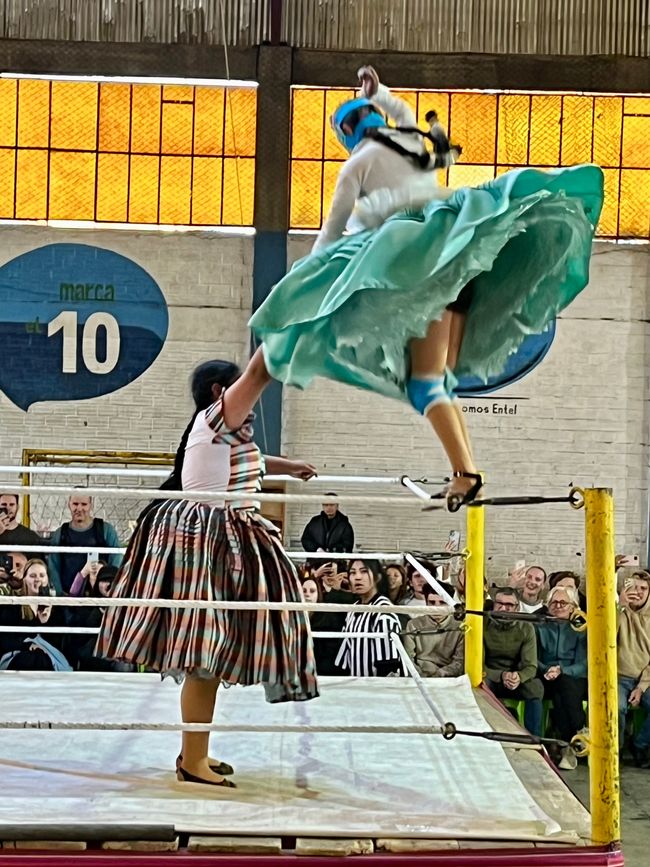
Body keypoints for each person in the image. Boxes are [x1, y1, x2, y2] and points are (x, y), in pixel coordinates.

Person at [250, 65, 604, 511]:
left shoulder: (358, 164)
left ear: (345, 132)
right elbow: (406, 115)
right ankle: (467, 471)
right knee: (439, 382)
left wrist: (299, 287)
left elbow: (328, 239)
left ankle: (467, 473)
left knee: (425, 384)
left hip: (423, 273)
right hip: (458, 263)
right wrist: (383, 94)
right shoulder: (416, 142)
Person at [96, 349, 319, 788]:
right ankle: (192, 760)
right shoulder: (219, 416)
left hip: (221, 539)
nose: (246, 396)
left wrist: (288, 466)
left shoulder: (220, 431)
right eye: (237, 388)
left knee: (211, 655)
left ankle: (193, 753)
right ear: (221, 392)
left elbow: (248, 461)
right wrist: (283, 329)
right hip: (210, 543)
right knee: (204, 652)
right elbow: (258, 371)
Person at [536, 585, 587, 770]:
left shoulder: (581, 629)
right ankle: (578, 734)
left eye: (563, 603)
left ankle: (566, 743)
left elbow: (583, 663)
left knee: (562, 689)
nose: (558, 606)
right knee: (559, 689)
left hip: (573, 676)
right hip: (545, 674)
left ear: (573, 607)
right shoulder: (539, 626)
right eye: (553, 602)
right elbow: (534, 656)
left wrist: (562, 670)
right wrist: (547, 670)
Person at [483, 587, 543, 736]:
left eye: (509, 605)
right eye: (499, 603)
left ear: (517, 607)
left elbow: (530, 665)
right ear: (494, 604)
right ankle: (489, 734)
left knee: (535, 687)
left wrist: (519, 677)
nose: (503, 608)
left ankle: (532, 738)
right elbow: (477, 664)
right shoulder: (482, 624)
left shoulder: (526, 627)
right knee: (482, 686)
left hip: (515, 676)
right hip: (490, 675)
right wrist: (500, 675)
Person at [0, 558, 70, 671]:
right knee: (30, 659)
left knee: (41, 659)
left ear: (47, 579)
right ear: (24, 579)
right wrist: (28, 646)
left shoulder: (56, 606)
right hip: (18, 653)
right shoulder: (14, 603)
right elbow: (7, 639)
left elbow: (59, 643)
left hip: (47, 655)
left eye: (42, 575)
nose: (38, 579)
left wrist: (45, 623)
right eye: (32, 576)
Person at [335, 559, 402, 676]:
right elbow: (344, 658)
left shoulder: (383, 611)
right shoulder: (353, 609)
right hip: (355, 683)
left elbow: (389, 665)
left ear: (378, 577)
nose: (357, 577)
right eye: (352, 572)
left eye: (364, 571)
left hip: (378, 688)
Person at [48, 494, 122, 595]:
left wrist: (109, 591)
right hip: (68, 599)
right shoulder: (61, 534)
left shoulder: (106, 531)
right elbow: (53, 568)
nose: (79, 508)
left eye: (84, 504)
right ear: (68, 505)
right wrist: (60, 597)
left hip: (100, 599)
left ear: (91, 505)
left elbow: (116, 563)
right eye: (75, 504)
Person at [616, 570, 650, 766]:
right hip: (619, 676)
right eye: (633, 587)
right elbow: (608, 637)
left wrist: (641, 686)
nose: (638, 592)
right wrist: (621, 606)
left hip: (645, 678)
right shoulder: (619, 611)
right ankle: (616, 749)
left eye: (643, 589)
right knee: (617, 708)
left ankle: (640, 745)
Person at [403, 582, 464, 677]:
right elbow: (407, 658)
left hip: (448, 678)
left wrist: (438, 676)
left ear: (450, 604)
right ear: (426, 603)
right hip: (419, 677)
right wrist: (419, 677)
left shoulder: (460, 628)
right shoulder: (413, 625)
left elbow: (459, 662)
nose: (436, 607)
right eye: (432, 602)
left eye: (442, 602)